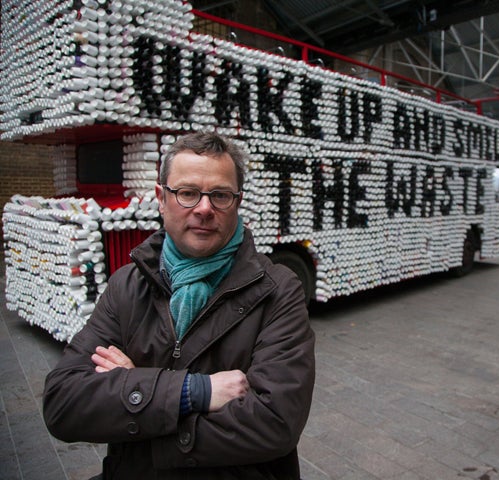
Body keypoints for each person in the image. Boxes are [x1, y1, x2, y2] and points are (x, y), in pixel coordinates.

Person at [43, 131, 316, 479]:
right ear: (160, 198)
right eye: (187, 193)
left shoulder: (277, 291)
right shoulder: (127, 286)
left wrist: (134, 395)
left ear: (238, 201)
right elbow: (63, 403)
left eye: (219, 195)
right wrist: (195, 392)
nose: (204, 208)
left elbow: (275, 423)